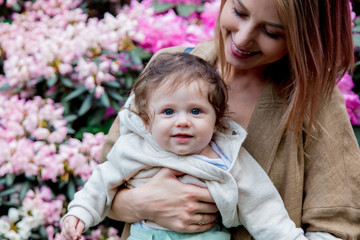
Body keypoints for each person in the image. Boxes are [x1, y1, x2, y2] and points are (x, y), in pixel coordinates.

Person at [100, 0, 360, 239]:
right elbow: (104, 185)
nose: (243, 39)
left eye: (271, 32)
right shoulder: (166, 70)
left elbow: (337, 228)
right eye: (240, 12)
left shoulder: (316, 101)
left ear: (304, 38)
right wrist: (141, 204)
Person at [61, 52, 307, 240]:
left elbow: (261, 204)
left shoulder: (227, 157)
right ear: (147, 121)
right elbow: (101, 183)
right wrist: (79, 213)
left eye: (196, 111)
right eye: (168, 111)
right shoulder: (134, 149)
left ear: (216, 120)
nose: (182, 122)